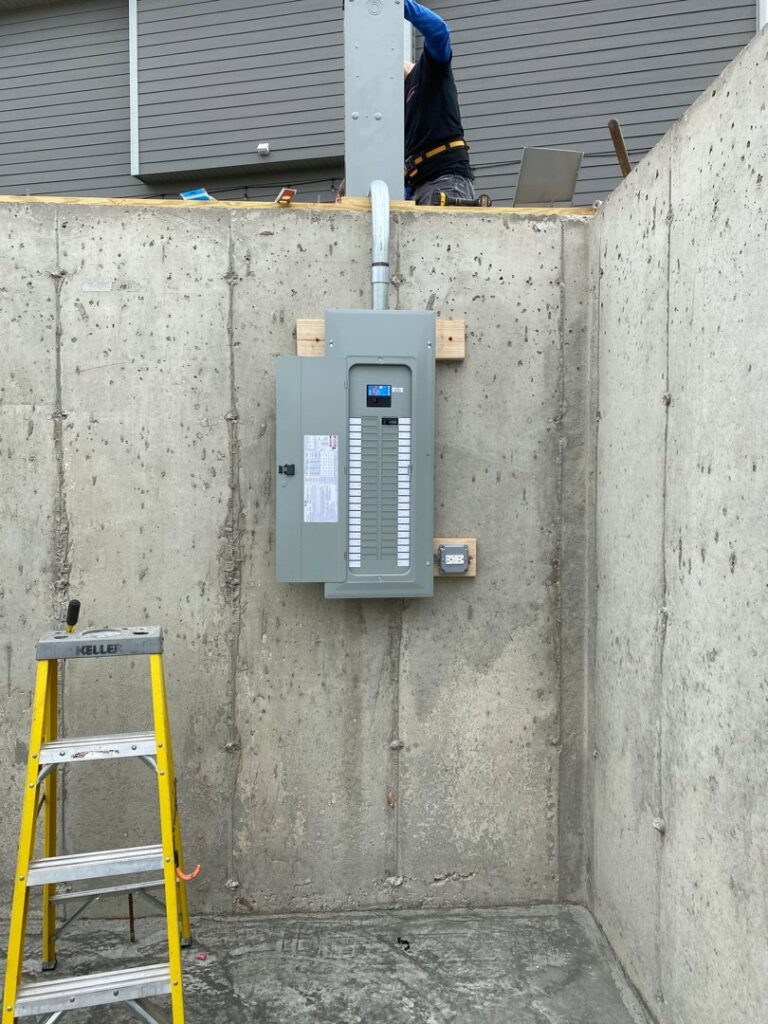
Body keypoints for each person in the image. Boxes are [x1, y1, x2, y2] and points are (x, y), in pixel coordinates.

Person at [403, 0, 475, 205]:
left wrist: (399, 4)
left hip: (446, 180)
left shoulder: (432, 69)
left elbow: (439, 31)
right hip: (425, 186)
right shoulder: (403, 101)